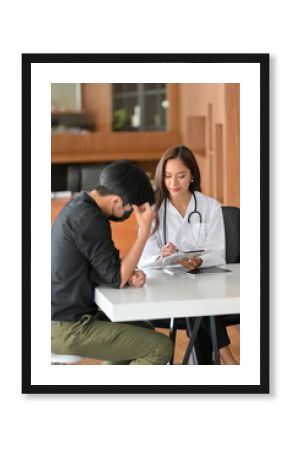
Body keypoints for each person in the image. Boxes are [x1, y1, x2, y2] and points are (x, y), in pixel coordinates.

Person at [51, 160, 173, 365]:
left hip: (69, 318)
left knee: (143, 331)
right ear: (117, 200)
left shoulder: (79, 207)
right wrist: (144, 234)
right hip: (68, 327)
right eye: (130, 210)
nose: (128, 216)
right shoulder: (90, 219)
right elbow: (117, 278)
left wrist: (128, 273)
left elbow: (105, 268)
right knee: (161, 347)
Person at [139, 145, 238, 365]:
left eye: (181, 176)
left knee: (198, 300)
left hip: (203, 280)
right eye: (167, 176)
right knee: (198, 303)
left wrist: (199, 260)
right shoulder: (153, 210)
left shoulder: (210, 207)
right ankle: (229, 362)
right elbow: (143, 257)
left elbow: (218, 251)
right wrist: (162, 255)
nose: (173, 184)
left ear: (192, 175)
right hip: (165, 287)